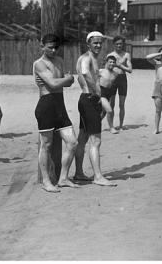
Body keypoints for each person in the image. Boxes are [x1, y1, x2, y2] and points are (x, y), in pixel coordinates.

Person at [33, 34, 78, 193]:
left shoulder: (59, 60)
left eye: (55, 47)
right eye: (49, 47)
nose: (52, 50)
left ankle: (63, 178)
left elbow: (69, 82)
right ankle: (46, 182)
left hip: (60, 106)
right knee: (46, 144)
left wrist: (66, 80)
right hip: (46, 106)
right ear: (42, 45)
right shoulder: (39, 64)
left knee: (72, 142)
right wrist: (67, 79)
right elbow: (53, 83)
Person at [74, 31, 116, 186]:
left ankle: (78, 173)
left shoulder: (91, 58)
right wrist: (97, 93)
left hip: (86, 100)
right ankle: (98, 176)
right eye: (95, 43)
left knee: (83, 139)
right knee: (95, 141)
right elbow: (84, 73)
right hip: (90, 99)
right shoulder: (86, 58)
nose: (98, 45)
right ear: (88, 44)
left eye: (100, 43)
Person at [106, 35, 132, 131]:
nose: (119, 46)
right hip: (112, 79)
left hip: (122, 79)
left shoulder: (126, 55)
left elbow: (130, 70)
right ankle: (112, 126)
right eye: (117, 44)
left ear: (123, 44)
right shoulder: (110, 55)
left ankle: (121, 125)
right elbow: (106, 69)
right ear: (114, 44)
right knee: (111, 104)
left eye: (120, 44)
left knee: (121, 104)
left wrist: (119, 65)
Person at [99, 55, 119, 134]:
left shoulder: (115, 74)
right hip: (101, 92)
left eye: (113, 62)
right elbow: (93, 80)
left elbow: (112, 85)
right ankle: (111, 128)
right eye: (110, 62)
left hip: (108, 93)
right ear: (106, 62)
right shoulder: (101, 71)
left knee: (103, 112)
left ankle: (95, 124)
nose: (112, 63)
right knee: (109, 110)